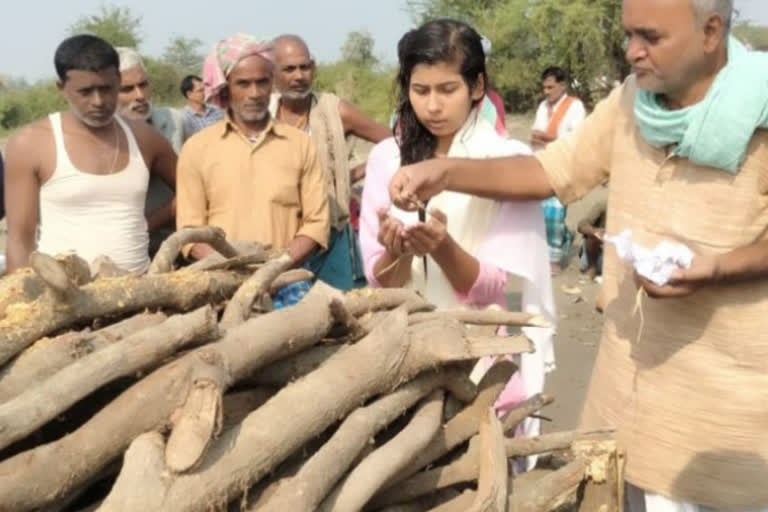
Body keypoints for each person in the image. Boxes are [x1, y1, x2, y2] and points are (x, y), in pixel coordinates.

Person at [389, 1, 768, 510]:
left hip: (727, 409)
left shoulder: (759, 112)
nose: (632, 51)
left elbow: (513, 279)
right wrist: (445, 173)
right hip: (626, 387)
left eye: (650, 37)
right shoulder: (632, 101)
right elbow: (551, 173)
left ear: (711, 31)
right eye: (628, 34)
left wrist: (719, 266)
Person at [360, 19, 555, 449]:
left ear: (477, 86)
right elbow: (382, 283)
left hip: (481, 359)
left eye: (447, 90)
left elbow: (496, 287)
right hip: (404, 357)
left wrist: (443, 248)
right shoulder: (385, 159)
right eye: (420, 90)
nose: (432, 105)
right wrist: (402, 253)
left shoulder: (507, 161)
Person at [176, 33, 329, 307]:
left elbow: (316, 225)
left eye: (262, 82)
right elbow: (190, 233)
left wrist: (272, 272)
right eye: (243, 84)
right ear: (225, 88)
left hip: (285, 282)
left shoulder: (300, 145)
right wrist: (237, 273)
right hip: (220, 284)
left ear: (272, 84)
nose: (255, 93)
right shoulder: (197, 149)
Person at [4, 35, 176, 274]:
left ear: (117, 80)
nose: (98, 101)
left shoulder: (145, 139)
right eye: (85, 92)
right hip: (63, 297)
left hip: (141, 296)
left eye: (106, 89)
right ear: (61, 89)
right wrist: (23, 300)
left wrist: (151, 222)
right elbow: (20, 238)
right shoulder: (30, 144)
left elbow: (193, 192)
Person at [269, 34, 391, 290]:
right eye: (289, 69)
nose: (299, 76)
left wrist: (352, 174)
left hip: (329, 236)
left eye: (304, 67)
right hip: (279, 239)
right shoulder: (263, 118)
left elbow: (392, 143)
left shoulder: (334, 111)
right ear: (272, 73)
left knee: (340, 317)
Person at [116, 47, 180, 257]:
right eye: (128, 89)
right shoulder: (102, 137)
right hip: (126, 249)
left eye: (143, 85)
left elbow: (194, 189)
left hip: (178, 240)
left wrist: (149, 224)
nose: (140, 96)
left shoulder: (175, 121)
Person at [532, 66, 587, 274]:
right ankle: (563, 237)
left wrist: (548, 138)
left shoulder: (575, 107)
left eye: (551, 87)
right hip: (541, 161)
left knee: (555, 211)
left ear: (563, 86)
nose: (547, 92)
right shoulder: (542, 107)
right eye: (544, 87)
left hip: (564, 164)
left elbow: (578, 139)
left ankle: (553, 260)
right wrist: (541, 139)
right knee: (540, 211)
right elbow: (536, 133)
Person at [180, 74, 224, 140]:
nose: (204, 93)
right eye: (200, 91)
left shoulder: (216, 111)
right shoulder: (182, 117)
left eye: (204, 90)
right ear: (189, 94)